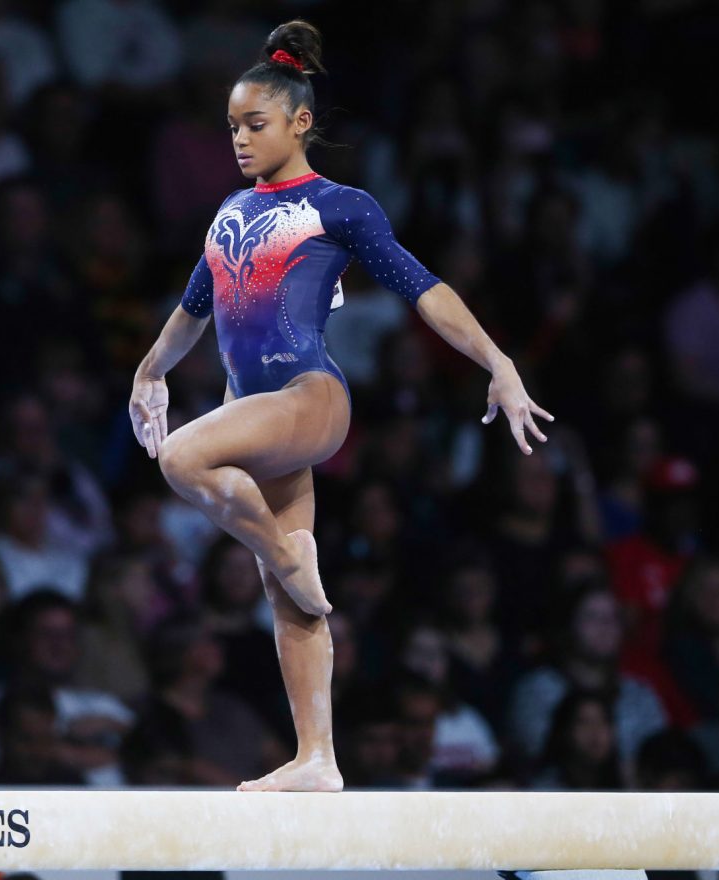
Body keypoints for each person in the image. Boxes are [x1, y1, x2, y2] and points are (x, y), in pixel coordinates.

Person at [127, 20, 551, 792]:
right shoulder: (227, 210)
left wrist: (498, 361)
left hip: (306, 397)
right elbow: (194, 306)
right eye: (231, 127)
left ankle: (289, 555)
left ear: (301, 121)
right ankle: (317, 757)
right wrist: (149, 370)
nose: (240, 140)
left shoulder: (341, 206)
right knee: (291, 600)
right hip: (252, 407)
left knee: (184, 456)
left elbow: (427, 291)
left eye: (255, 124)